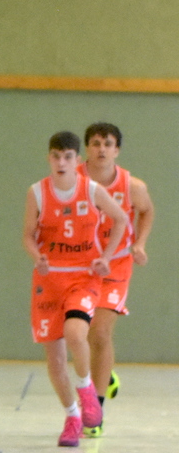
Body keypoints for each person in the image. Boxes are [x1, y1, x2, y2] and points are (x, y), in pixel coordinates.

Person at [22, 131, 127, 447]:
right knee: (54, 360)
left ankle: (87, 392)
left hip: (83, 277)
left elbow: (121, 219)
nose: (61, 162)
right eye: (56, 156)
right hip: (49, 279)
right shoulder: (37, 193)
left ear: (77, 161)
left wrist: (106, 257)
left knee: (76, 334)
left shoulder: (91, 190)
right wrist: (36, 255)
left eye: (68, 156)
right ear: (49, 158)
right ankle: (71, 416)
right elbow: (27, 235)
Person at [79, 122, 154, 434]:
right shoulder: (74, 181)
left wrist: (140, 243)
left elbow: (147, 211)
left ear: (117, 150)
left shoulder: (132, 185)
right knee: (77, 333)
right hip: (81, 265)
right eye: (96, 143)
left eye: (108, 144)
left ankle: (96, 411)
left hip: (117, 265)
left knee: (100, 332)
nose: (101, 149)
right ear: (87, 148)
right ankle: (104, 375)